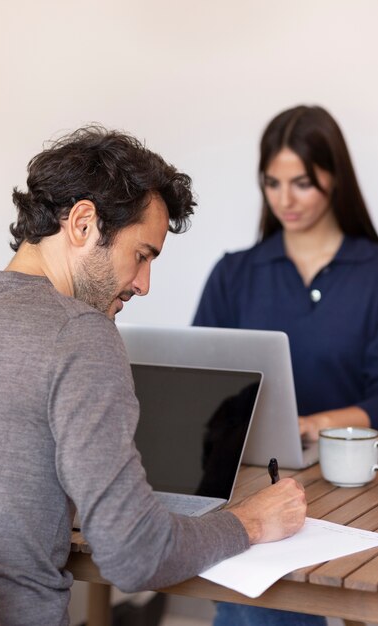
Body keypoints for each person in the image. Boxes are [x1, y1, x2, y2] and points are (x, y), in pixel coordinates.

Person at [0, 125, 306, 626]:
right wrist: (250, 521)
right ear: (83, 224)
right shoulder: (82, 335)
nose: (143, 284)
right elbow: (135, 555)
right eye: (142, 255)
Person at [193, 105, 378, 626]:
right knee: (255, 589)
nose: (284, 199)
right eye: (272, 183)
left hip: (354, 484)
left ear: (334, 177)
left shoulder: (371, 273)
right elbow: (201, 384)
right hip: (257, 478)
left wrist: (316, 424)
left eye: (301, 182)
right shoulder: (236, 273)